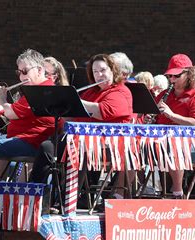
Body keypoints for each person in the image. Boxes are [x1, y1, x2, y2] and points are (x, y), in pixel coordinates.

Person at [29, 54, 133, 211]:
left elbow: (102, 111)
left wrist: (75, 100)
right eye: (95, 71)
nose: (99, 75)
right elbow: (76, 114)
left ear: (113, 71)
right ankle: (34, 197)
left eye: (103, 70)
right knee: (46, 147)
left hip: (107, 146)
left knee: (75, 149)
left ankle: (63, 202)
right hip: (81, 141)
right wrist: (58, 106)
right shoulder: (91, 92)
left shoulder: (121, 92)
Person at [0, 49, 58, 180]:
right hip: (22, 138)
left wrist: (2, 100)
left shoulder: (42, 91)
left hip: (32, 142)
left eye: (25, 71)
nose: (21, 77)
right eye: (19, 72)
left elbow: (11, 113)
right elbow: (13, 111)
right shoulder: (34, 89)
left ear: (39, 70)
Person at [156, 53, 195, 198]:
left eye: (176, 76)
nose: (172, 79)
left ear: (189, 74)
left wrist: (171, 115)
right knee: (132, 147)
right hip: (161, 141)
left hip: (189, 143)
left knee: (175, 145)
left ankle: (177, 192)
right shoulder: (164, 95)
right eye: (169, 76)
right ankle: (125, 194)